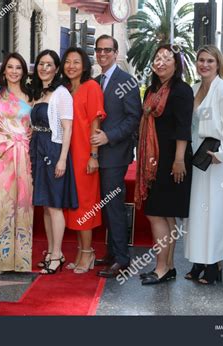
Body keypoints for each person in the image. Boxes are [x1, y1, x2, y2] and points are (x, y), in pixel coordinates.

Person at [134, 44, 194, 285]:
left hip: (171, 161)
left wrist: (179, 159)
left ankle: (160, 268)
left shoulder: (181, 90)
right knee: (166, 217)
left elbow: (183, 127)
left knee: (156, 213)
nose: (160, 62)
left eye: (166, 58)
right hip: (153, 160)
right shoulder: (152, 90)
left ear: (176, 63)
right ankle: (168, 267)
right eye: (157, 58)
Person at [184, 45, 223, 284]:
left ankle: (214, 265)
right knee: (197, 213)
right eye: (201, 60)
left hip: (217, 161)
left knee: (216, 212)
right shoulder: (194, 89)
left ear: (218, 64)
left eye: (209, 61)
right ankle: (199, 260)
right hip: (198, 160)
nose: (204, 65)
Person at [91, 34, 142, 278]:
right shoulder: (95, 81)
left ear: (116, 52)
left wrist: (108, 137)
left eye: (107, 50)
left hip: (115, 154)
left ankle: (122, 259)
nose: (102, 54)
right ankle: (112, 252)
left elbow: (134, 119)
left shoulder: (127, 82)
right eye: (99, 50)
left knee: (114, 206)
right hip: (95, 155)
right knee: (105, 205)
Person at [0, 53, 34, 273]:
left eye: (18, 68)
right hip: (1, 154)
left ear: (23, 71)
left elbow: (34, 125)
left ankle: (20, 259)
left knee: (22, 204)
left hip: (24, 154)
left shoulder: (32, 96)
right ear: (4, 71)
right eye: (10, 67)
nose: (14, 71)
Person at [30, 49, 78, 274]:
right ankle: (50, 251)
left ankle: (57, 254)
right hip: (37, 148)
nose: (44, 68)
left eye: (49, 64)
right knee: (46, 207)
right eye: (41, 63)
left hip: (53, 147)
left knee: (55, 205)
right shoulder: (38, 93)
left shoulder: (62, 93)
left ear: (56, 69)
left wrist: (62, 160)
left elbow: (68, 128)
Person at [62, 47, 106, 274]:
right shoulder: (67, 90)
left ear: (85, 65)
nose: (71, 66)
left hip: (84, 156)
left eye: (76, 62)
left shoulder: (92, 87)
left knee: (85, 206)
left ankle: (88, 253)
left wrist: (93, 155)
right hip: (69, 156)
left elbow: (95, 124)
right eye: (67, 62)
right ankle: (81, 251)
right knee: (75, 205)